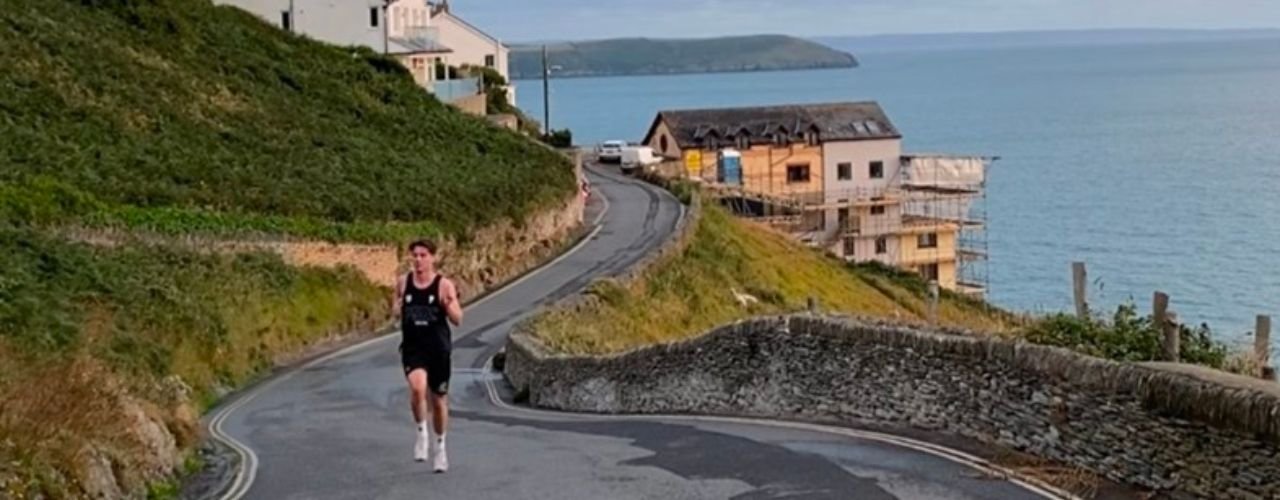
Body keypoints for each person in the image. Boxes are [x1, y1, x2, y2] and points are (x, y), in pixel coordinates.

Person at [393, 239, 463, 473]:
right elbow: (395, 312)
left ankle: (440, 447)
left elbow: (458, 319)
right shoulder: (404, 283)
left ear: (432, 258)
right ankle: (421, 433)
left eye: (423, 255)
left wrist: (448, 305)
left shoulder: (443, 285)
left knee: (439, 401)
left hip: (438, 350)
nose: (418, 259)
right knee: (417, 388)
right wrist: (397, 307)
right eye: (415, 255)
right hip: (414, 348)